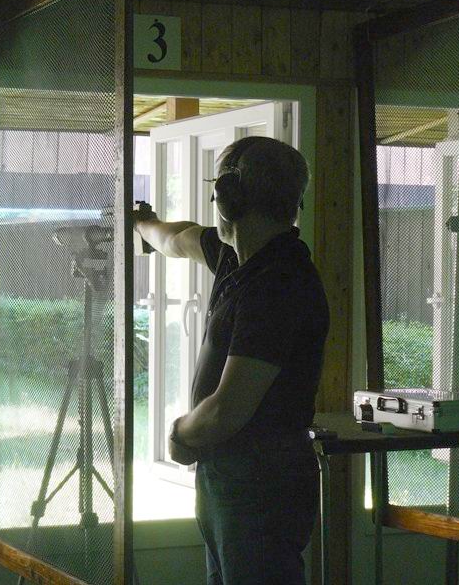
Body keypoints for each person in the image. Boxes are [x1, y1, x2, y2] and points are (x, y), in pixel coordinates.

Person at [134, 136, 329, 585]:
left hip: (259, 484)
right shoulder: (238, 258)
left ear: (228, 195)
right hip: (237, 478)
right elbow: (177, 238)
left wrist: (180, 434)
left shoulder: (276, 284)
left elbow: (228, 409)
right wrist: (143, 226)